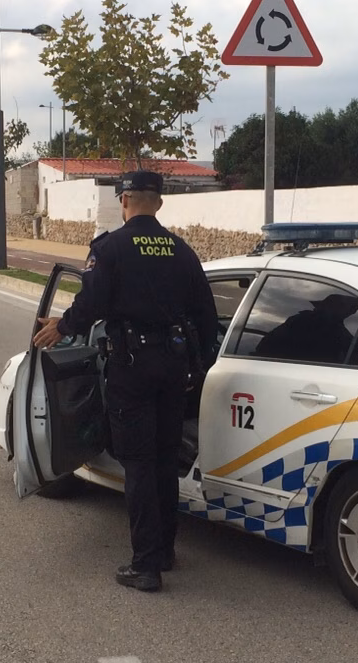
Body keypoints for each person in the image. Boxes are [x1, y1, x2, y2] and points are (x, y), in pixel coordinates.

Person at [33, 170, 219, 592]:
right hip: (173, 369)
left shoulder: (111, 247)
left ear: (124, 200)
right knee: (164, 459)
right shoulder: (181, 251)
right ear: (159, 203)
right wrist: (199, 365)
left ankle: (145, 565)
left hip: (131, 367)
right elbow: (206, 315)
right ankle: (166, 552)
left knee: (136, 463)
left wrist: (63, 327)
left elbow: (92, 301)